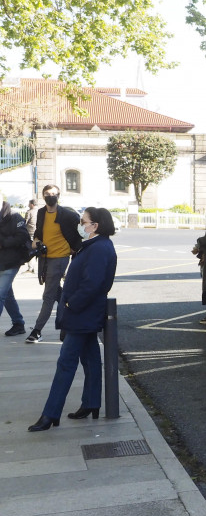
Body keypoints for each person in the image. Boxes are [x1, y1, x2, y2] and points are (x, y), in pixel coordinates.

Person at [28, 207, 117, 431]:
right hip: (84, 314)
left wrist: (70, 304)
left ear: (95, 226)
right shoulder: (95, 245)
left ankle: (50, 414)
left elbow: (93, 284)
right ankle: (91, 403)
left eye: (83, 221)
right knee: (91, 360)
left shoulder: (99, 248)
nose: (80, 224)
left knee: (65, 363)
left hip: (82, 313)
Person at [27, 185, 82, 343]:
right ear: (42, 196)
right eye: (47, 194)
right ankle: (68, 323)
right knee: (59, 293)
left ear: (59, 195)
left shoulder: (67, 215)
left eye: (53, 194)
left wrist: (72, 249)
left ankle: (37, 331)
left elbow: (79, 235)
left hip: (60, 258)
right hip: (45, 258)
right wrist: (37, 243)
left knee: (48, 295)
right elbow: (38, 234)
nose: (50, 196)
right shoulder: (41, 212)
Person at [0, 201, 30, 337]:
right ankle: (18, 323)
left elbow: (23, 236)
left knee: (0, 294)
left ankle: (18, 323)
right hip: (3, 263)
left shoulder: (15, 216)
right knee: (7, 295)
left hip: (11, 262)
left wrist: (4, 242)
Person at [24, 199, 38, 273]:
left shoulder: (29, 212)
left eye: (29, 204)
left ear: (32, 204)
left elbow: (25, 222)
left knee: (31, 249)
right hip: (38, 233)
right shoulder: (40, 211)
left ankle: (30, 267)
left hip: (30, 232)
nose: (28, 205)